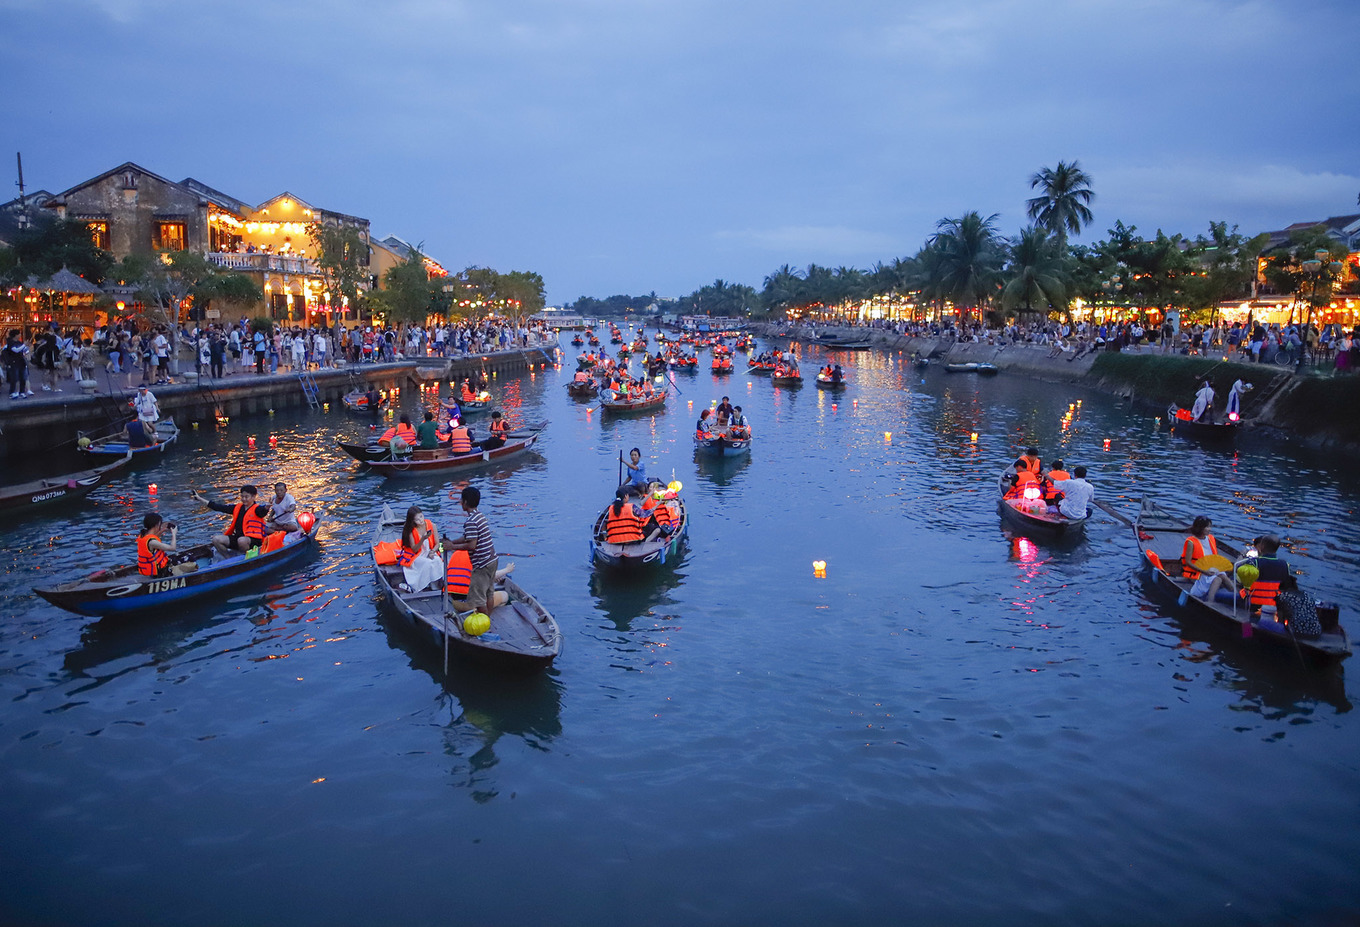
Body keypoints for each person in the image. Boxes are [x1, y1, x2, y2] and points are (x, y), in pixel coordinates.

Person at [444, 486, 499, 615]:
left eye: (461, 500)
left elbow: (471, 545)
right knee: (489, 593)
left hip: (482, 564)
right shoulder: (479, 516)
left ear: (466, 503)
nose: (460, 502)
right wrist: (453, 542)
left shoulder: (470, 521)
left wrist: (451, 547)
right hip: (492, 560)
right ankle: (488, 621)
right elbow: (468, 537)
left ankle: (483, 626)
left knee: (478, 600)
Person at [193, 485, 268, 557]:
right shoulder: (237, 507)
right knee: (216, 539)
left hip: (253, 541)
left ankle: (246, 558)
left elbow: (263, 511)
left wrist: (266, 508)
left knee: (242, 540)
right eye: (242, 496)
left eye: (246, 497)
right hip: (238, 538)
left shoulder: (257, 509)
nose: (244, 499)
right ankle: (228, 558)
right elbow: (218, 507)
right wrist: (200, 499)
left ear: (253, 497)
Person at [397, 504, 443, 592]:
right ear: (413, 521)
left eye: (421, 517)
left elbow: (437, 544)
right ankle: (417, 587)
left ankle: (435, 586)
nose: (421, 520)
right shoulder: (411, 531)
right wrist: (423, 539)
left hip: (430, 552)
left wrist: (433, 551)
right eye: (417, 519)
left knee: (437, 561)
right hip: (417, 555)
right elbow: (414, 549)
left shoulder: (432, 525)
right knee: (427, 563)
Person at [136, 513, 196, 577]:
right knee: (190, 557)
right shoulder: (152, 542)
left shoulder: (143, 536)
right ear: (156, 525)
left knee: (175, 557)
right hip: (161, 572)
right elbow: (172, 548)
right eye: (160, 524)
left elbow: (153, 537)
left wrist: (163, 530)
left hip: (151, 569)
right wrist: (174, 534)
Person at [1242, 534, 1290, 611]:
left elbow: (1243, 582)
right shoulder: (1285, 565)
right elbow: (1285, 587)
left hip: (1253, 604)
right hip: (1274, 604)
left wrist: (1242, 554)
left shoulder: (1254, 562)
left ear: (1262, 546)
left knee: (1220, 594)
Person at [1180, 516, 1219, 581]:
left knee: (1223, 576)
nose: (1210, 529)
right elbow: (1188, 562)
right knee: (1217, 580)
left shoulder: (1211, 538)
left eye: (1210, 527)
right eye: (1207, 527)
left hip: (1210, 568)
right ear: (1199, 528)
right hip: (1197, 572)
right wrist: (1204, 571)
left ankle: (1235, 590)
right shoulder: (1191, 542)